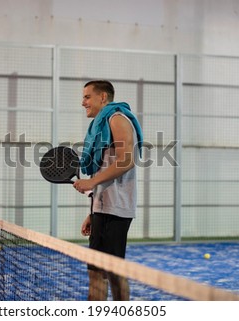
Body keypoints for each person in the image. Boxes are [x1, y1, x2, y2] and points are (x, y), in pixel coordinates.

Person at [73, 80, 143, 300]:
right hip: (103, 209)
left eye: (87, 97)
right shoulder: (100, 125)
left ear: (103, 97)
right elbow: (105, 168)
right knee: (97, 274)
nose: (83, 102)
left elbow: (127, 160)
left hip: (117, 210)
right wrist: (93, 211)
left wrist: (91, 183)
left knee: (112, 274)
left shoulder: (117, 119)